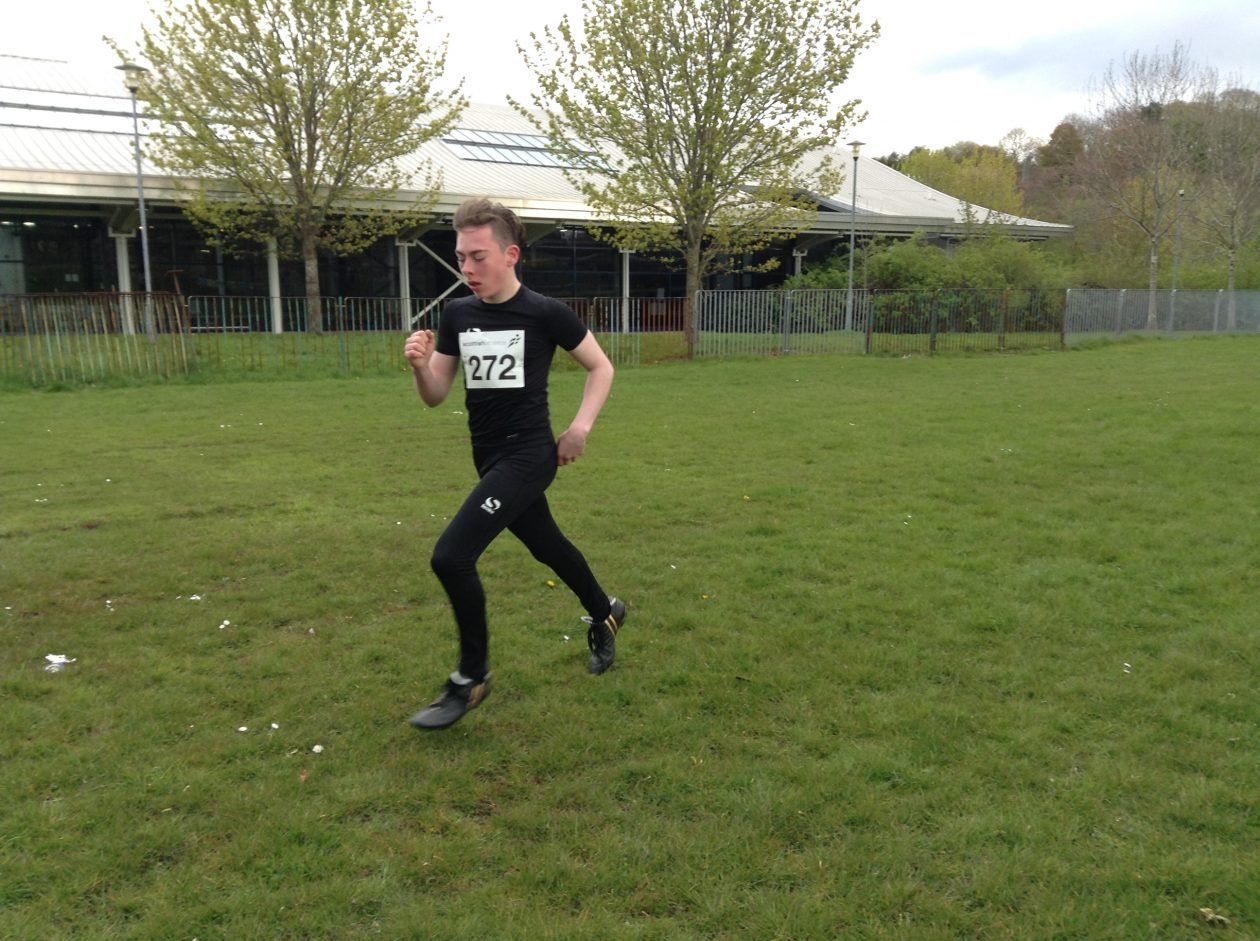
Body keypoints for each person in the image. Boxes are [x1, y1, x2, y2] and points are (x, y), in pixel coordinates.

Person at [404, 197, 627, 730]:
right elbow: (436, 395)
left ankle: (471, 677)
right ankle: (607, 612)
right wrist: (419, 366)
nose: (467, 268)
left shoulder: (545, 312)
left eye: (478, 257)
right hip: (488, 457)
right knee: (548, 546)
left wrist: (580, 428)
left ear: (510, 255)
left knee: (451, 557)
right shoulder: (458, 314)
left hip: (528, 456)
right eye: (461, 257)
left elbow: (601, 368)